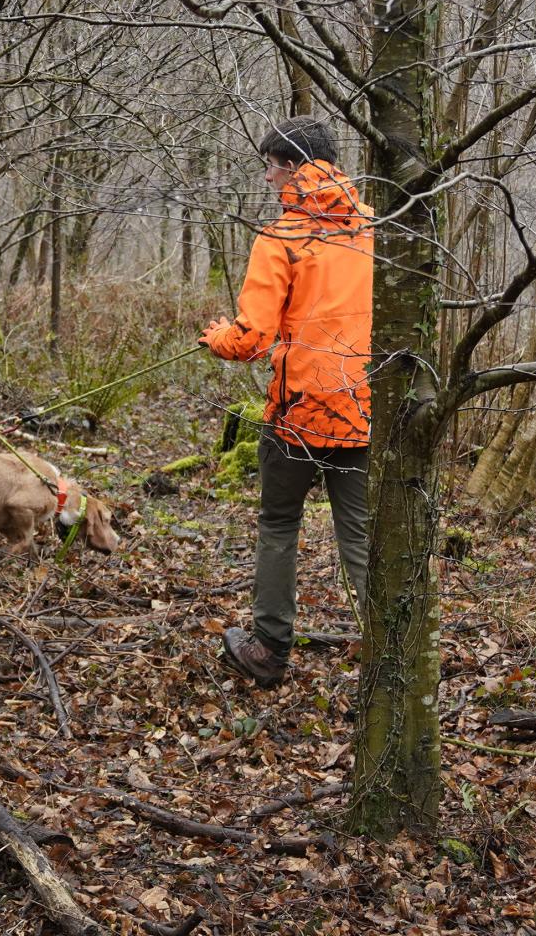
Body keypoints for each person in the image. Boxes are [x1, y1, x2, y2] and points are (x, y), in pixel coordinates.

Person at [200, 116, 373, 687]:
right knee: (361, 536)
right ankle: (393, 655)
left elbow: (251, 339)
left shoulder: (282, 238)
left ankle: (269, 651)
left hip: (298, 413)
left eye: (271, 166)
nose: (268, 178)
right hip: (366, 409)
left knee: (279, 524)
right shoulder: (378, 227)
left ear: (293, 166)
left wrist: (216, 338)